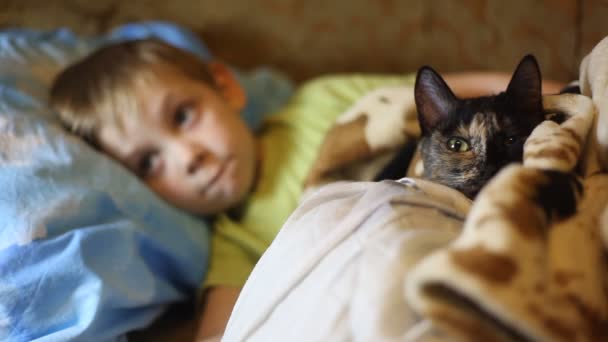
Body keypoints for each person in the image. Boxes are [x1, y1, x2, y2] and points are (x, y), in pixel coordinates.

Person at [49, 38, 565, 340]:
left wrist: (558, 94)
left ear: (224, 87)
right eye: (148, 162)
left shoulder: (316, 100)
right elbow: (224, 332)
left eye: (183, 116)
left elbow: (466, 92)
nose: (189, 158)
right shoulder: (232, 239)